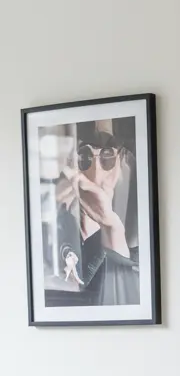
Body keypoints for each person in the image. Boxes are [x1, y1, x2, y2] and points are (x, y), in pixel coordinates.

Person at [54, 123, 139, 305]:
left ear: (123, 162)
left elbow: (128, 303)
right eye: (84, 157)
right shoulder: (58, 226)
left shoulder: (138, 237)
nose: (95, 175)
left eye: (107, 156)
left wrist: (111, 228)